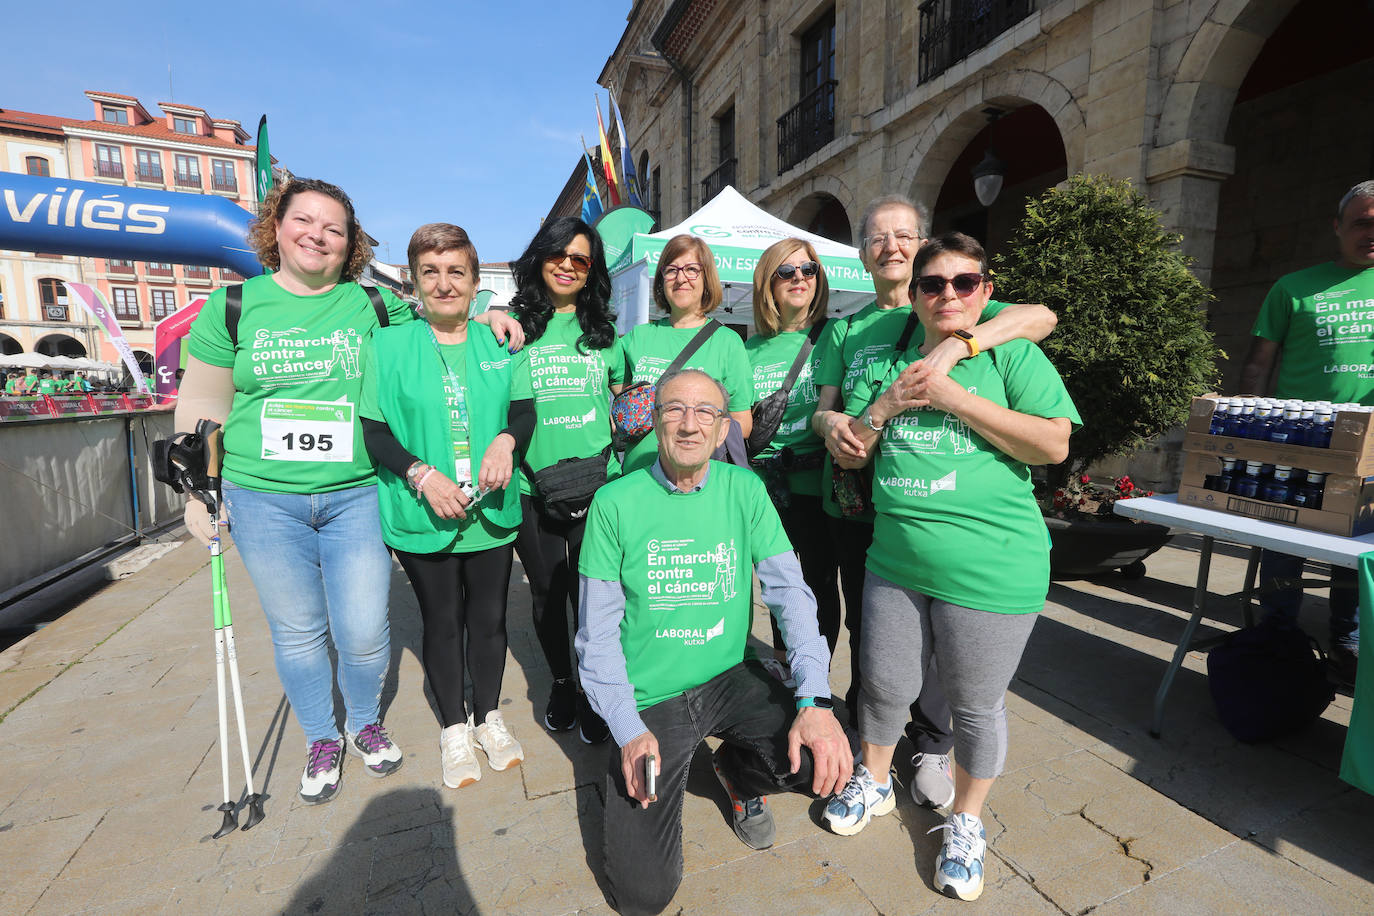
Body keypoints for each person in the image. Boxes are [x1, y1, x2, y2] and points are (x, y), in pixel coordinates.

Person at [176, 177, 526, 805]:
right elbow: (203, 398)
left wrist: (493, 312)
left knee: (364, 630)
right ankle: (321, 735)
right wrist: (196, 489)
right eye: (303, 221)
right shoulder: (232, 304)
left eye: (333, 228)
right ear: (275, 229)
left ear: (351, 243)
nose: (317, 235)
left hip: (355, 491)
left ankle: (363, 720)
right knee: (299, 631)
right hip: (263, 494)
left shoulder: (370, 304)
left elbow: (440, 311)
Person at [825, 232, 1078, 902]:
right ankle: (875, 781)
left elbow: (1054, 442)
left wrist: (954, 395)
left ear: (985, 292)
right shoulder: (895, 357)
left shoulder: (1011, 352)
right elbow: (853, 456)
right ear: (914, 294)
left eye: (964, 283)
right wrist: (883, 408)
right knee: (882, 684)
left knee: (973, 705)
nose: (948, 295)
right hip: (896, 561)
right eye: (933, 284)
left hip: (991, 569)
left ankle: (965, 823)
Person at [577, 368, 852, 916]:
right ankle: (637, 766)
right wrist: (629, 731)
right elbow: (596, 637)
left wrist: (815, 700)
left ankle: (734, 771)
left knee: (826, 757)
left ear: (725, 427)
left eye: (705, 411)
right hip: (651, 696)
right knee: (643, 897)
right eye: (674, 409)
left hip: (727, 677)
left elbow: (790, 595)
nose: (689, 424)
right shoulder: (614, 503)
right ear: (654, 421)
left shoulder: (744, 490)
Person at [361, 222, 533, 789]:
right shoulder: (386, 345)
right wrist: (420, 473)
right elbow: (374, 430)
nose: (443, 284)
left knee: (488, 620)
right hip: (422, 509)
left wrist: (508, 440)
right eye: (430, 273)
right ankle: (453, 728)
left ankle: (489, 716)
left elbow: (523, 412)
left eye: (455, 272)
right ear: (412, 280)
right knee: (442, 621)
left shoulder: (502, 341)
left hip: (490, 508)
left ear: (475, 280)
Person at [1239, 179, 1374, 684]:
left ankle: (1348, 642)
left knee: (1355, 548)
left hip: (1372, 451)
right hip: (1300, 441)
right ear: (1338, 227)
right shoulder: (1294, 287)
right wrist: (1246, 432)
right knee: (1284, 539)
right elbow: (1258, 366)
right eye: (1362, 221)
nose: (1371, 232)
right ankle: (1278, 635)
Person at [508, 217, 622, 743]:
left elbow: (623, 401)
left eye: (581, 259)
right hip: (532, 488)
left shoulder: (604, 332)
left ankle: (598, 689)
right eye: (560, 254)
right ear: (541, 257)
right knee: (548, 595)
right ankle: (561, 682)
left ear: (591, 269)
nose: (568, 266)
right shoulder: (509, 326)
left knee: (596, 597)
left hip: (600, 484)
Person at [745, 238, 840, 671]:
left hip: (818, 484)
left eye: (808, 269)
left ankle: (816, 672)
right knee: (777, 586)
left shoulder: (836, 334)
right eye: (786, 272)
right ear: (768, 283)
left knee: (820, 586)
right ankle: (785, 666)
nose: (799, 278)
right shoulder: (747, 348)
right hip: (765, 488)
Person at [618, 235, 753, 475]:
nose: (681, 278)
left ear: (706, 278)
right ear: (661, 280)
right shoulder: (637, 338)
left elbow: (742, 424)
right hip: (638, 478)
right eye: (671, 270)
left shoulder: (727, 342)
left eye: (692, 269)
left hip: (697, 481)